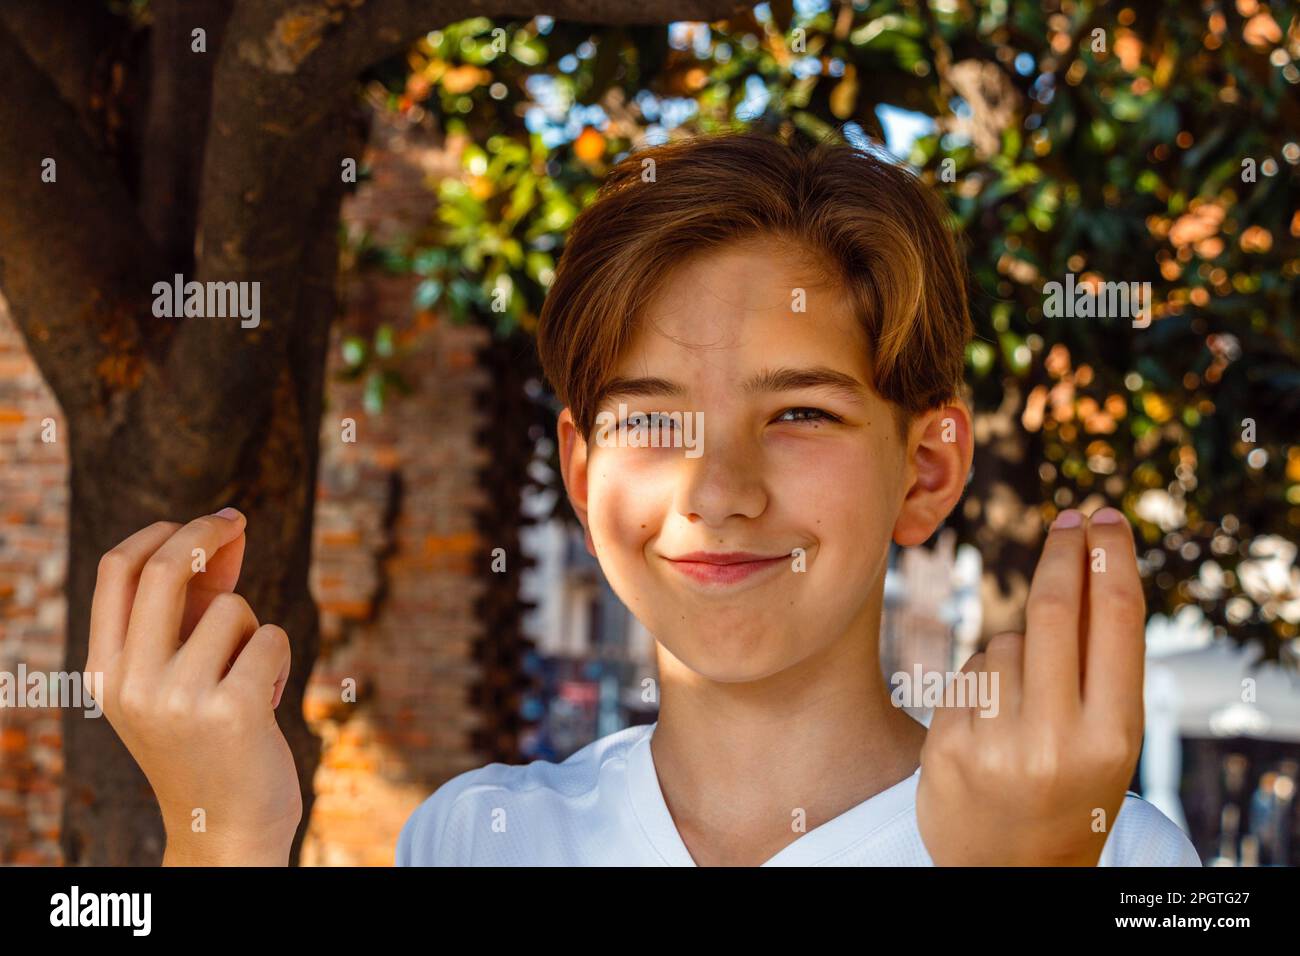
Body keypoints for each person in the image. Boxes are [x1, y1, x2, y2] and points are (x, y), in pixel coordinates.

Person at [88, 131, 1201, 867]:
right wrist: (221, 830)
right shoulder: (477, 838)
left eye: (800, 412)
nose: (715, 492)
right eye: (652, 419)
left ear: (927, 467)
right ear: (580, 472)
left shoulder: (1103, 849)